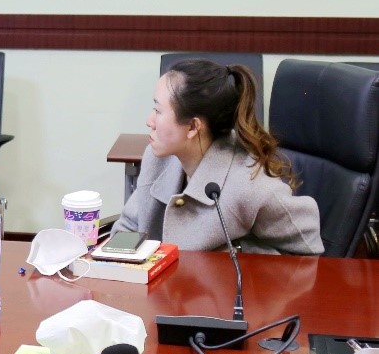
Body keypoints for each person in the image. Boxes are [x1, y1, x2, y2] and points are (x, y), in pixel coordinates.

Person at [114, 59, 322, 254]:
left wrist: (234, 253)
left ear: (192, 127)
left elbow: (307, 249)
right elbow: (130, 226)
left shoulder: (249, 186)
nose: (149, 121)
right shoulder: (157, 159)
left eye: (158, 111)